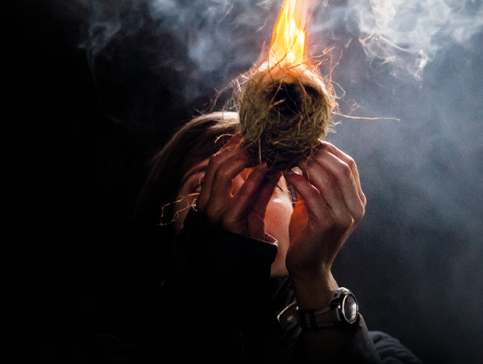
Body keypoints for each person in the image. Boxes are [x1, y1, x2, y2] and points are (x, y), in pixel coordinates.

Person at [130, 111, 421, 363]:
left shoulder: (382, 354)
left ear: (300, 211)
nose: (240, 195)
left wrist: (314, 277)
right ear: (165, 226)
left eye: (267, 180)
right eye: (204, 184)